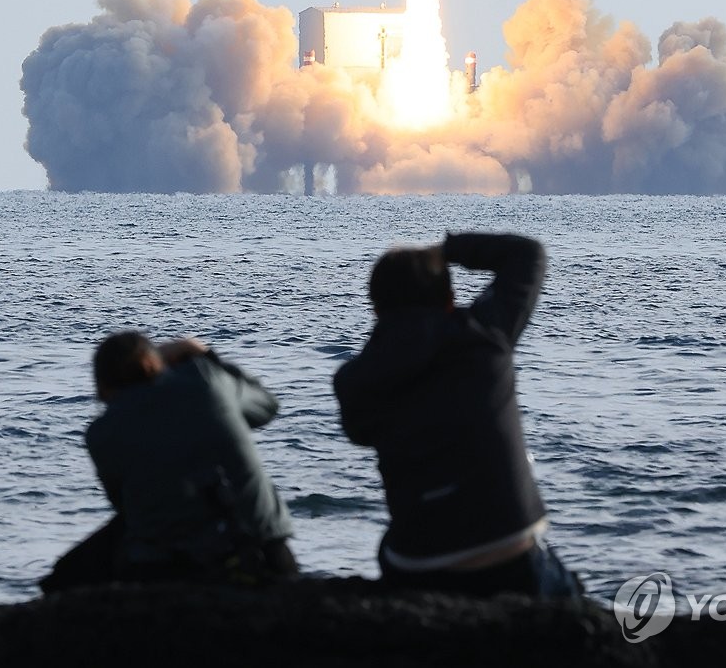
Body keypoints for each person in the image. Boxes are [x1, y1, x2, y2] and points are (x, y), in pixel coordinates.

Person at [333, 232, 581, 599]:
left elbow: (361, 433)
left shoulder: (354, 381)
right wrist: (447, 250)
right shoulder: (485, 337)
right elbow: (527, 253)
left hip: (420, 563)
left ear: (376, 308)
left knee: (391, 548)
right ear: (450, 299)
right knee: (571, 595)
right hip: (508, 550)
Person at [40, 332, 295, 593]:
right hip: (264, 550)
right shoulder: (206, 379)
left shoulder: (102, 433)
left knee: (62, 578)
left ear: (102, 384)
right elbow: (267, 405)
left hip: (163, 565)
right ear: (157, 363)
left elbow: (124, 505)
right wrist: (206, 355)